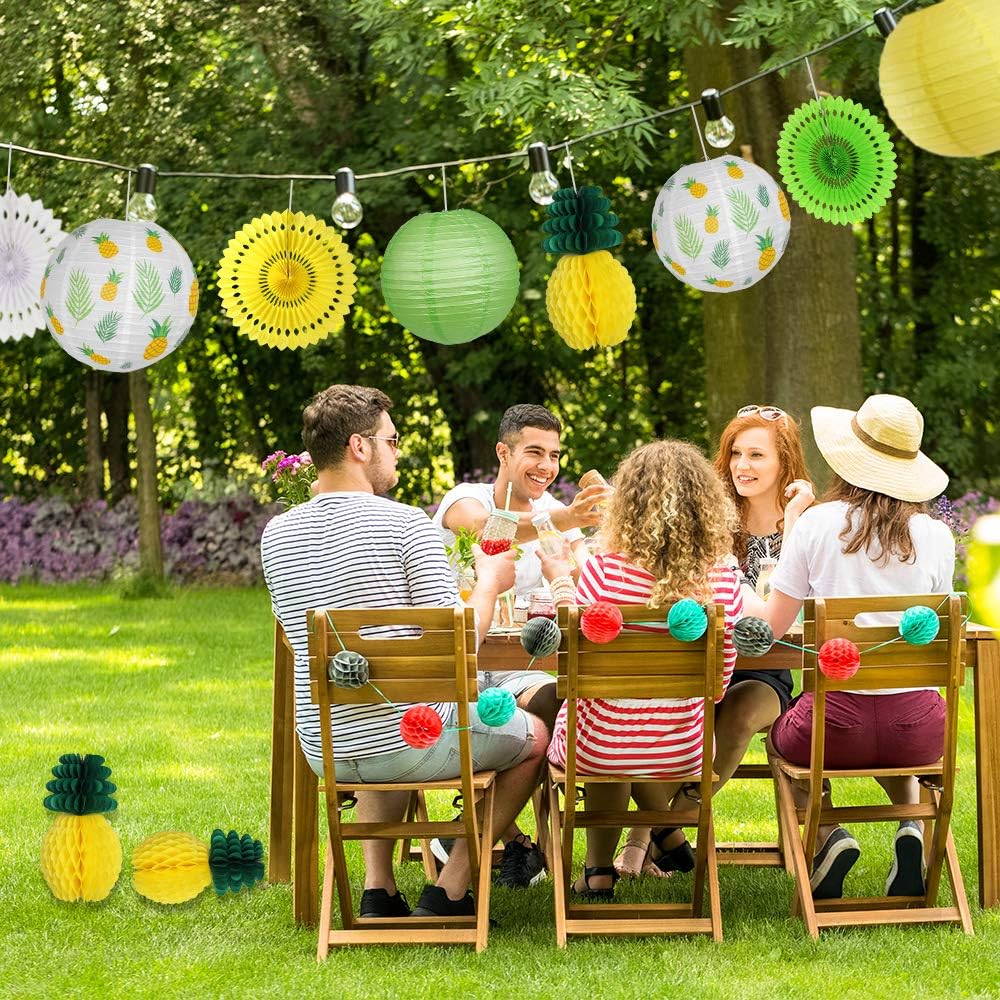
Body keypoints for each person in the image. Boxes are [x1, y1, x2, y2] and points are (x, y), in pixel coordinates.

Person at [261, 385, 548, 919]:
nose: (397, 451)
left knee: (379, 708)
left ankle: (379, 890)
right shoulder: (405, 524)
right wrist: (487, 584)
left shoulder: (277, 534)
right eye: (391, 441)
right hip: (411, 738)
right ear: (359, 447)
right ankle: (451, 889)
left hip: (326, 748)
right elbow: (457, 647)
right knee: (535, 737)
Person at [761, 393, 954, 900]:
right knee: (893, 727)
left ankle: (829, 836)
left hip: (832, 730)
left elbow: (775, 626)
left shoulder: (818, 525)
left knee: (779, 738)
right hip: (919, 732)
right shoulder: (936, 535)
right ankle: (911, 829)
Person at [613, 404, 814, 879]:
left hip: (763, 668)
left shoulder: (807, 521)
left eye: (757, 455)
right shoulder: (711, 517)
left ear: (785, 462)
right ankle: (655, 839)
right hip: (695, 664)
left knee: (742, 712)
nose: (742, 465)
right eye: (736, 454)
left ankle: (670, 823)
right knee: (657, 715)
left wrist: (798, 523)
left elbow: (796, 609)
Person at [542, 440, 743, 897]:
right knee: (631, 725)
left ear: (628, 503)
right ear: (706, 505)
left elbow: (570, 663)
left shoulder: (603, 572)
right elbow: (719, 685)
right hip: (683, 750)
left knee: (605, 724)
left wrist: (558, 578)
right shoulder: (723, 578)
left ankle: (596, 872)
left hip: (596, 750)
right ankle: (667, 833)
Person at [431, 403, 611, 884]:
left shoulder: (556, 511)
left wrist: (585, 541)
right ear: (503, 453)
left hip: (523, 666)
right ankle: (510, 839)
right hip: (461, 665)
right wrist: (566, 519)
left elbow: (583, 579)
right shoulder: (466, 499)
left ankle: (477, 833)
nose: (547, 466)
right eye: (535, 451)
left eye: (554, 455)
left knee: (558, 701)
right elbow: (484, 534)